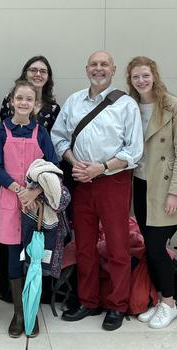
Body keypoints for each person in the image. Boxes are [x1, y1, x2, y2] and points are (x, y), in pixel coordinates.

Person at [51, 51, 143, 332]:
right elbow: (59, 137)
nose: (98, 68)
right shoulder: (74, 101)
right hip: (81, 181)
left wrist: (100, 168)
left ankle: (117, 304)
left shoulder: (126, 104)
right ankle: (88, 301)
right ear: (86, 68)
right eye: (94, 64)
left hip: (113, 182)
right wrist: (73, 162)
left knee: (117, 246)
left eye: (104, 64)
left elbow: (133, 150)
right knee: (85, 245)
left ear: (113, 70)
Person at [126, 56, 177, 329]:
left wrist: (176, 192)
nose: (141, 81)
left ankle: (169, 303)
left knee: (156, 248)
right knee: (150, 249)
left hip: (164, 188)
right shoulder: (129, 107)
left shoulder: (175, 106)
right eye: (135, 77)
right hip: (140, 185)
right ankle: (161, 300)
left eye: (145, 75)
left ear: (154, 75)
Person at [0, 80, 59, 338]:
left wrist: (35, 191)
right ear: (11, 100)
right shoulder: (1, 131)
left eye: (28, 99)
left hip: (36, 206)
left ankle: (32, 312)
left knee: (33, 258)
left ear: (35, 104)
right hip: (9, 202)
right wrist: (17, 190)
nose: (23, 103)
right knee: (13, 259)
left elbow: (52, 166)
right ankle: (19, 313)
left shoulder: (41, 132)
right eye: (19, 98)